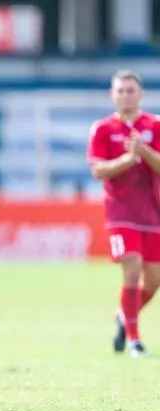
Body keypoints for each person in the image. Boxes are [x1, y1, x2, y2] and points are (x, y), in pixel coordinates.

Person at [88, 70, 160, 358]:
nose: (126, 95)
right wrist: (127, 159)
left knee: (153, 280)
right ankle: (134, 340)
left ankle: (124, 315)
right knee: (132, 269)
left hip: (152, 213)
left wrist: (144, 153)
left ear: (140, 94)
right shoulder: (103, 129)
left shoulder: (155, 125)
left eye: (131, 90)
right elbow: (97, 169)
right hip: (120, 213)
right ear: (112, 95)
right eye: (121, 90)